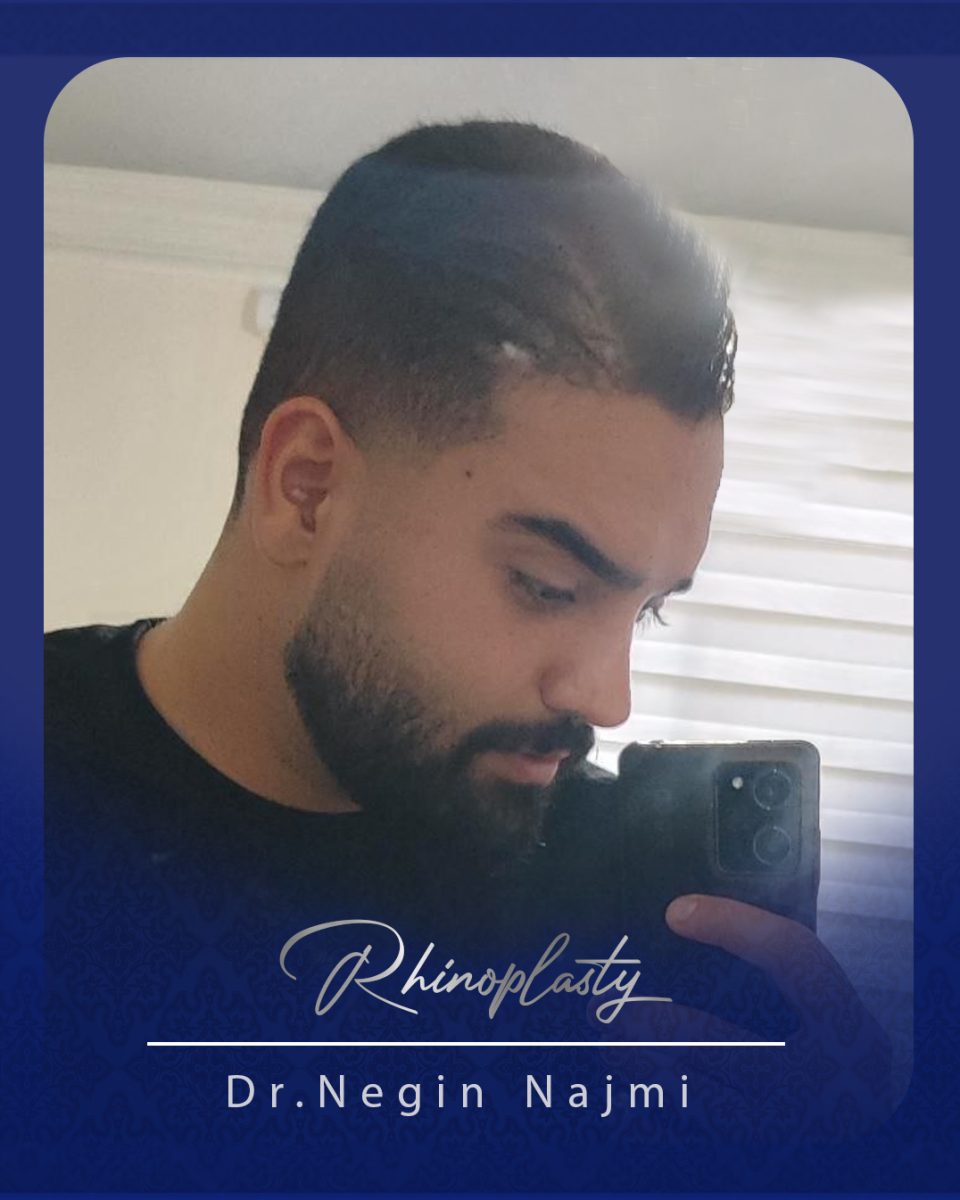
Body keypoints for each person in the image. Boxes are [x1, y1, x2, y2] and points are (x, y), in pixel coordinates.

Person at [44, 123, 889, 1124]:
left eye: (649, 608)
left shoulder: (633, 907)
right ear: (307, 489)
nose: (607, 701)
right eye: (547, 585)